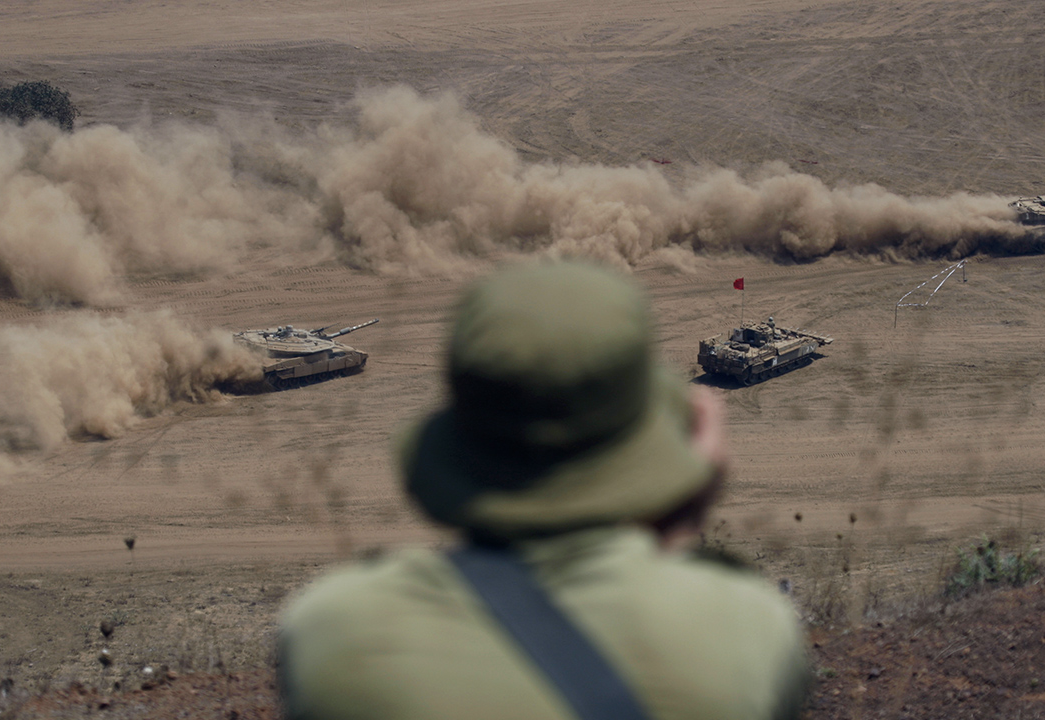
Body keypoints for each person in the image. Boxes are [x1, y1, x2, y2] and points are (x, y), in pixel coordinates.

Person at [277, 261, 813, 720]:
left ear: (454, 446)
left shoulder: (334, 631)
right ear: (651, 448)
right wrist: (681, 523)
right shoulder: (745, 631)